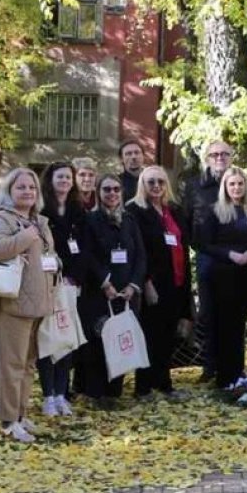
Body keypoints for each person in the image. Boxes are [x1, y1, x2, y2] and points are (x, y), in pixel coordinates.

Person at [0, 167, 57, 442]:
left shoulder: (39, 221)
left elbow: (46, 255)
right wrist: (23, 239)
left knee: (27, 365)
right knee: (11, 366)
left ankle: (20, 415)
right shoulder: (2, 218)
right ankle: (7, 421)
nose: (28, 191)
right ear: (9, 191)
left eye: (32, 187)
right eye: (21, 187)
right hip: (11, 305)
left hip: (37, 302)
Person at [196, 166, 247, 389]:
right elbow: (204, 244)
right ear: (225, 187)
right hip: (222, 275)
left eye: (240, 183)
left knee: (239, 326)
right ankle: (225, 377)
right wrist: (230, 254)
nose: (236, 188)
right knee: (224, 326)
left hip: (246, 275)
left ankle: (238, 371)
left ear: (246, 186)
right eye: (232, 184)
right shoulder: (214, 211)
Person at [128, 165, 193, 399]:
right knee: (149, 334)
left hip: (175, 280)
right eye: (151, 182)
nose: (156, 186)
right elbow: (137, 250)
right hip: (152, 283)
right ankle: (143, 387)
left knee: (167, 335)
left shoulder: (174, 210)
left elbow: (183, 246)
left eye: (161, 182)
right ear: (142, 185)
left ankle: (164, 383)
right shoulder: (135, 211)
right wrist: (146, 282)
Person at [83, 173, 147, 406]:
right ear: (99, 192)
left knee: (121, 341)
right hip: (100, 292)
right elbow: (87, 255)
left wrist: (134, 285)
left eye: (116, 189)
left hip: (126, 294)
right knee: (100, 341)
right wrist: (105, 283)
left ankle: (114, 393)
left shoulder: (129, 220)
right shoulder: (91, 220)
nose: (112, 193)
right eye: (107, 189)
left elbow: (140, 255)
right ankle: (96, 393)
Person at [39, 161, 92, 416]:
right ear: (50, 180)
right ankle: (48, 395)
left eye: (68, 177)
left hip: (71, 284)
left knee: (66, 338)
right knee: (48, 338)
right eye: (60, 177)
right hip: (46, 283)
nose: (64, 181)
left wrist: (75, 277)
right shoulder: (41, 209)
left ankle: (62, 393)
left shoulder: (78, 210)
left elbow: (84, 248)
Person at [185, 141, 233, 382]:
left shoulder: (240, 182)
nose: (219, 158)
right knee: (208, 312)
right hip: (207, 257)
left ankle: (232, 365)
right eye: (214, 154)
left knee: (233, 313)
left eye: (224, 154)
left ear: (231, 157)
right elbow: (186, 221)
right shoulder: (194, 186)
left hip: (235, 258)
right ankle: (209, 365)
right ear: (206, 158)